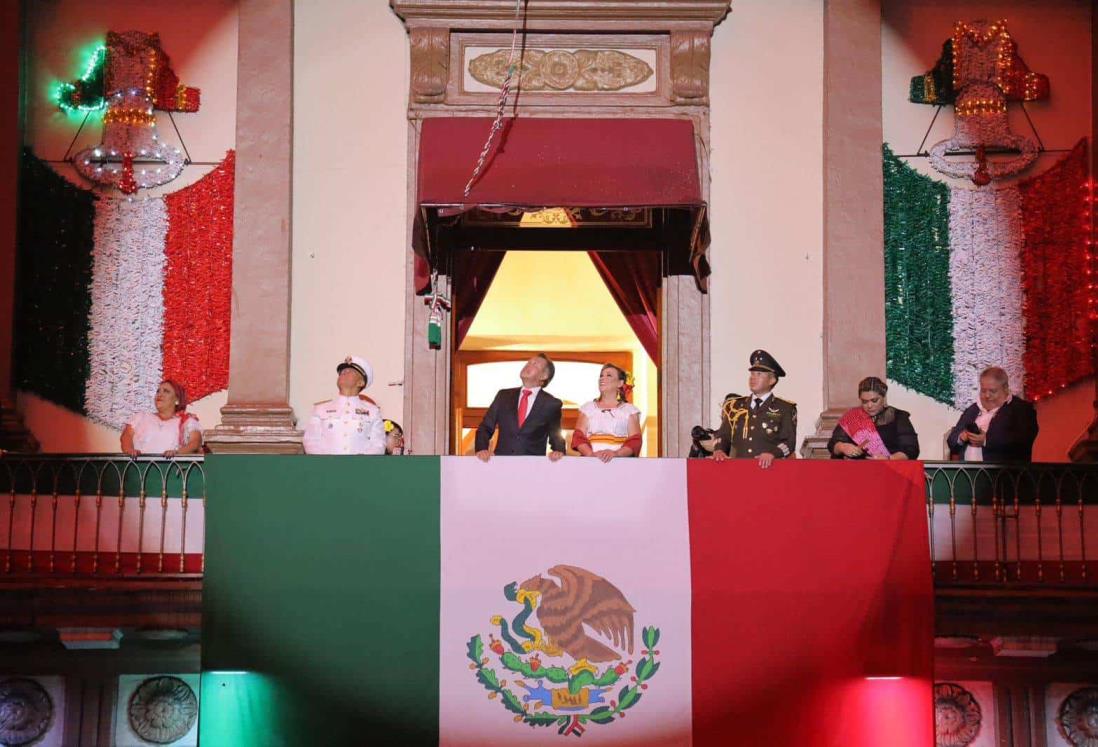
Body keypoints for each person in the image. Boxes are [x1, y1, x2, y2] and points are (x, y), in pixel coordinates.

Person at [711, 350, 796, 469]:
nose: (753, 378)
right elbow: (722, 436)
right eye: (752, 374)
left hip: (769, 471)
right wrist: (719, 450)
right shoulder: (734, 406)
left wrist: (773, 454)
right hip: (737, 471)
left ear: (772, 380)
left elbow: (789, 443)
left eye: (759, 374)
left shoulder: (784, 408)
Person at [475, 353, 565, 461]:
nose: (528, 365)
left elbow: (556, 436)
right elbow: (485, 427)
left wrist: (559, 452)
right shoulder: (503, 396)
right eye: (528, 362)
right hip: (501, 465)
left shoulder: (551, 404)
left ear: (544, 376)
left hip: (532, 468)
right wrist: (481, 449)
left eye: (535, 364)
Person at [947, 366, 1038, 462]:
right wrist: (962, 437)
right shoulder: (973, 409)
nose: (987, 395)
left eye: (992, 391)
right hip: (967, 474)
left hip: (1002, 475)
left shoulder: (1021, 409)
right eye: (983, 390)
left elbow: (1023, 440)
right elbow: (951, 440)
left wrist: (986, 440)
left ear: (1006, 389)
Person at [303, 355, 386, 455]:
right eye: (342, 372)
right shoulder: (320, 409)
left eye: (350, 372)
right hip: (326, 467)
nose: (344, 373)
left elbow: (378, 444)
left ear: (360, 382)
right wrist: (325, 462)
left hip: (361, 467)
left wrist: (362, 461)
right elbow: (311, 441)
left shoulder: (373, 412)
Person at [827, 376, 919, 460]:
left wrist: (889, 459)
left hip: (890, 471)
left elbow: (911, 449)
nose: (869, 405)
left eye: (874, 400)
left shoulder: (898, 417)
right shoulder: (852, 417)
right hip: (857, 472)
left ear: (883, 397)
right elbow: (833, 444)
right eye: (864, 401)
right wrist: (842, 447)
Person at [571, 364, 642, 462]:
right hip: (591, 464)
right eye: (601, 376)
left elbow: (635, 441)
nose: (602, 378)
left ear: (620, 383)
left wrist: (616, 454)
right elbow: (578, 438)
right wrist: (591, 454)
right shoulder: (588, 408)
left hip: (619, 464)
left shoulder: (629, 411)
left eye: (608, 375)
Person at [120, 380, 202, 458]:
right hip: (139, 468)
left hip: (169, 469)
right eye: (158, 391)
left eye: (166, 391)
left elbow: (195, 443)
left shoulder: (187, 421)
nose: (160, 394)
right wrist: (129, 450)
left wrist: (177, 453)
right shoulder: (141, 417)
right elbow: (126, 436)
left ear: (177, 400)